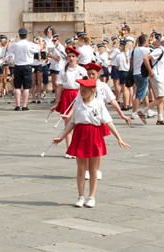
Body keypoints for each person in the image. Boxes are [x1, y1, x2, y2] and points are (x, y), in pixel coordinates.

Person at [53, 78, 130, 208]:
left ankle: (91, 196)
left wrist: (119, 138)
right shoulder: (77, 104)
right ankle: (80, 196)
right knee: (80, 168)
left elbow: (108, 122)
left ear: (92, 91)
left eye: (84, 91)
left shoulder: (99, 105)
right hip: (80, 134)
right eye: (80, 90)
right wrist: (61, 138)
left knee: (93, 169)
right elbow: (72, 123)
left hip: (94, 135)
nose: (81, 93)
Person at [49, 47, 86, 152]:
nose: (71, 58)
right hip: (67, 95)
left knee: (79, 124)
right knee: (68, 124)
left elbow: (86, 85)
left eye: (73, 56)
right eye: (69, 56)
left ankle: (79, 148)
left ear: (77, 58)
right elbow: (60, 87)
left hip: (78, 95)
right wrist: (57, 101)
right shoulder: (63, 70)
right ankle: (69, 149)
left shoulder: (82, 70)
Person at [142, 36, 164, 125]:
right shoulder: (159, 50)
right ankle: (143, 112)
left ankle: (160, 118)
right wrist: (150, 71)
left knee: (160, 98)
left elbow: (162, 67)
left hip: (160, 76)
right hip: (156, 76)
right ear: (162, 42)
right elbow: (146, 58)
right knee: (161, 98)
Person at [8, 28, 40, 111]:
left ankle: (17, 105)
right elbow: (38, 48)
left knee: (17, 86)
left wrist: (10, 41)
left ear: (19, 35)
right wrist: (40, 40)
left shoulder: (15, 44)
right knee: (26, 87)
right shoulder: (30, 44)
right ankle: (24, 105)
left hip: (18, 66)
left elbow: (9, 48)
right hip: (27, 66)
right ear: (27, 35)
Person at [129, 35, 151, 122]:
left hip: (135, 73)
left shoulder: (133, 50)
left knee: (145, 93)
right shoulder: (147, 50)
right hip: (142, 73)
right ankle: (134, 112)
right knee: (139, 95)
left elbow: (131, 62)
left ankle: (147, 110)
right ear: (145, 41)